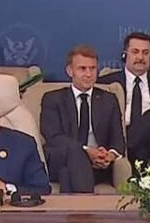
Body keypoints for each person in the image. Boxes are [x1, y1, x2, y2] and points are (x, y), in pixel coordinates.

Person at [40, 45, 125, 192]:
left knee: (66, 174)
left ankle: (76, 206)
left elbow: (118, 139)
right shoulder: (53, 99)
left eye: (92, 68)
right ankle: (87, 204)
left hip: (96, 167)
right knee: (73, 154)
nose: (88, 74)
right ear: (70, 71)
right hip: (61, 159)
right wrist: (86, 151)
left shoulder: (109, 99)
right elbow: (53, 136)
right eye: (82, 69)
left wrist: (108, 156)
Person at [97, 32, 150, 173]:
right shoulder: (106, 82)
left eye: (145, 53)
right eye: (135, 52)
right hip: (119, 137)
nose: (140, 57)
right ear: (125, 54)